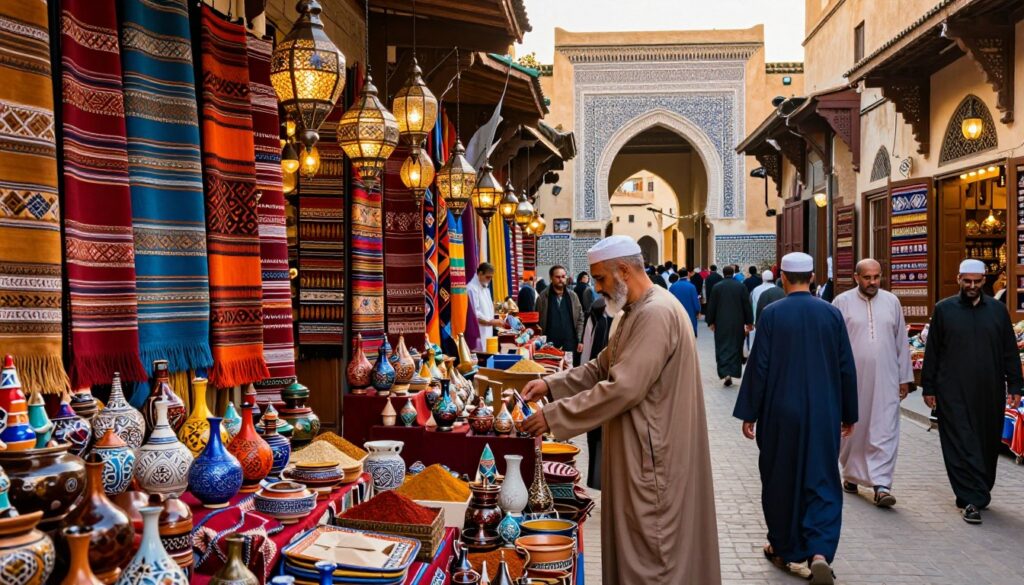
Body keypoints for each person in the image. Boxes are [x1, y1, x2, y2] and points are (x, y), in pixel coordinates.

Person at [520, 235, 720, 584]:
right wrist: (552, 384)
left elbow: (624, 387)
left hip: (652, 461)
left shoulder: (656, 313)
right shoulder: (632, 312)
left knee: (653, 558)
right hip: (640, 453)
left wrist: (553, 416)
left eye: (600, 279)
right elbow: (601, 367)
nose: (596, 288)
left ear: (624, 270)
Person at [733, 252, 858, 585]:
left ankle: (782, 546)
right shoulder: (832, 315)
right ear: (813, 277)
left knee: (781, 478)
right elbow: (846, 366)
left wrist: (749, 411)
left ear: (783, 277)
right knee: (821, 478)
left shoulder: (772, 314)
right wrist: (849, 412)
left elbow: (758, 367)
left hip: (780, 412)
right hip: (823, 412)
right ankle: (819, 551)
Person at [921, 258, 1023, 524]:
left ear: (984, 281)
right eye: (967, 281)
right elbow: (933, 352)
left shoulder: (998, 311)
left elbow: (1009, 351)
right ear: (959, 280)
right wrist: (928, 386)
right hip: (951, 389)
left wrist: (1015, 384)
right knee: (959, 442)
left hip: (989, 388)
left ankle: (979, 489)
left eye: (977, 282)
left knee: (987, 441)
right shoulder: (944, 310)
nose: (972, 286)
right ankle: (970, 498)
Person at [832, 259, 914, 507]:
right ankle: (851, 475)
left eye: (877, 277)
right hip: (851, 380)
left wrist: (905, 378)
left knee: (885, 428)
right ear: (856, 277)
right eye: (867, 277)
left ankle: (881, 484)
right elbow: (833, 345)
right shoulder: (841, 303)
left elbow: (901, 341)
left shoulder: (892, 302)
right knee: (853, 429)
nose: (873, 282)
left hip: (886, 378)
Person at [580, 295, 614, 491]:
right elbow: (588, 347)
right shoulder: (597, 310)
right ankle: (600, 480)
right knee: (598, 437)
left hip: (612, 388)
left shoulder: (633, 316)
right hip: (598, 383)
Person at [705, 265, 752, 386]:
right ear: (733, 273)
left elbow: (712, 305)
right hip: (737, 322)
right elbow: (746, 305)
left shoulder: (717, 287)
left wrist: (710, 321)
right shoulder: (741, 287)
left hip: (721, 323)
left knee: (722, 347)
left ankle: (725, 374)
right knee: (735, 347)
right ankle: (732, 372)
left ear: (723, 273)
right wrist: (749, 322)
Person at [536, 265, 585, 365]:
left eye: (563, 277)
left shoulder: (573, 296)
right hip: (550, 345)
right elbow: (538, 320)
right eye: (557, 277)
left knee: (569, 373)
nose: (561, 280)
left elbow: (580, 318)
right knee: (552, 373)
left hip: (570, 343)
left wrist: (580, 339)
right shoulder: (543, 297)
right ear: (551, 278)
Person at [466, 263, 506, 351]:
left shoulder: (485, 289)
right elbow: (474, 315)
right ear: (480, 274)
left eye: (491, 277)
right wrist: (492, 322)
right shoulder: (471, 289)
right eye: (488, 277)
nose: (489, 280)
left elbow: (487, 310)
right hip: (478, 333)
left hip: (487, 333)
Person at [669, 270, 701, 336]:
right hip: (690, 313)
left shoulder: (673, 287)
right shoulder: (691, 286)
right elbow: (695, 301)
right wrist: (698, 311)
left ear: (678, 275)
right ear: (687, 275)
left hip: (677, 313)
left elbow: (669, 301)